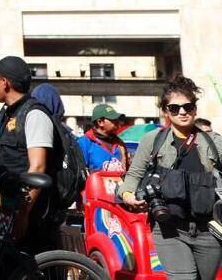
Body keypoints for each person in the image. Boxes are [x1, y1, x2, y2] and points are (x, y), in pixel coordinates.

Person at [120, 76, 222, 280]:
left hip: (209, 231)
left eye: (188, 106)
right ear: (166, 111)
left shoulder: (214, 142)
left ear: (195, 109)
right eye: (175, 108)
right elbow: (134, 174)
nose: (182, 112)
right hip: (169, 229)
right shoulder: (153, 140)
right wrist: (128, 195)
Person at [0, 55, 57, 254]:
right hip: (9, 207)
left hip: (30, 213)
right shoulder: (7, 115)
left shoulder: (34, 114)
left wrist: (23, 213)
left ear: (5, 82)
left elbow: (38, 168)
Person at [78, 103, 129, 173]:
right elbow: (80, 173)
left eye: (117, 119)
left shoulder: (120, 144)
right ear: (100, 122)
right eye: (113, 119)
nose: (117, 122)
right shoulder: (84, 143)